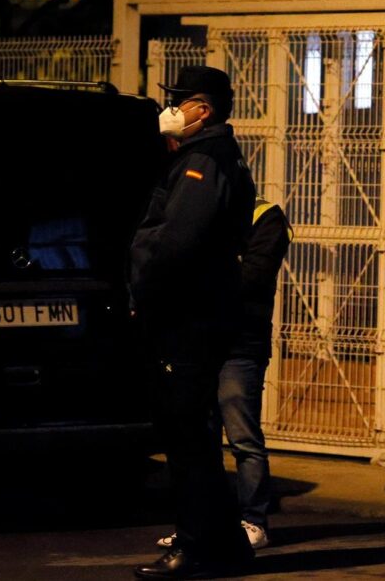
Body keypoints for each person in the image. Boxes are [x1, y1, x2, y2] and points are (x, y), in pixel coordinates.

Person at [130, 66, 257, 579]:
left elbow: (176, 240)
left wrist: (147, 292)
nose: (171, 110)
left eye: (179, 102)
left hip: (188, 313)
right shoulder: (201, 156)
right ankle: (224, 543)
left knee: (186, 434)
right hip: (199, 310)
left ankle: (196, 543)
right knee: (194, 433)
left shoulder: (204, 161)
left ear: (203, 109)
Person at [156, 196, 292, 551]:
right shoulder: (199, 211)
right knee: (199, 440)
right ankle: (201, 526)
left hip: (240, 343)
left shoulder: (264, 216)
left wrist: (199, 276)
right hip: (199, 342)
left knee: (243, 438)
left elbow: (253, 276)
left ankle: (253, 521)